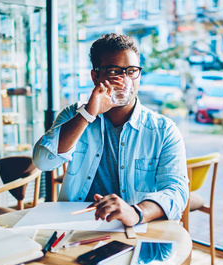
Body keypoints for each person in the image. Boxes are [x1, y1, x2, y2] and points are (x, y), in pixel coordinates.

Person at [32, 33, 189, 229]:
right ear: (95, 76)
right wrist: (89, 113)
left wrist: (135, 212)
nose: (124, 80)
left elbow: (177, 192)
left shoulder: (164, 130)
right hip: (75, 223)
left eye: (131, 71)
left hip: (133, 227)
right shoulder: (74, 115)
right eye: (114, 71)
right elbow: (43, 161)